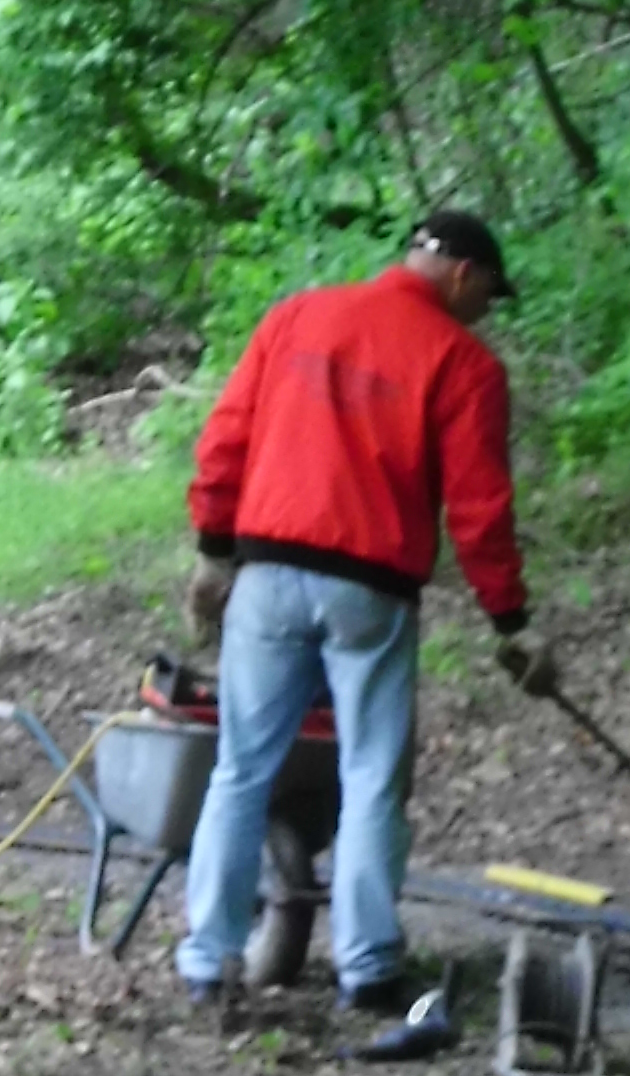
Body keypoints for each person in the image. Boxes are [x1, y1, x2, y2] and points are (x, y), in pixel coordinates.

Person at [174, 210, 557, 1013]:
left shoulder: (297, 316)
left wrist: (213, 547)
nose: (487, 313)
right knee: (372, 778)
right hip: (370, 592)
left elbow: (226, 438)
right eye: (489, 294)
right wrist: (509, 620)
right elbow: (480, 510)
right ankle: (368, 967)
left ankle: (208, 962)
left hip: (267, 576)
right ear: (463, 275)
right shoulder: (464, 363)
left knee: (242, 770)